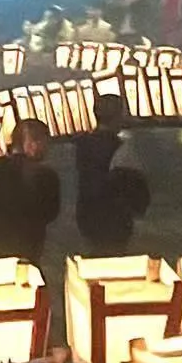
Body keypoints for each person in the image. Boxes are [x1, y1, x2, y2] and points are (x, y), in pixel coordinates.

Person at [75, 94, 149, 257]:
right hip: (115, 219)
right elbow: (134, 186)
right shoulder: (121, 149)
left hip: (87, 215)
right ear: (118, 116)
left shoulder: (83, 145)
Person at [0, 118, 60, 263]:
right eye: (44, 142)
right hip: (31, 240)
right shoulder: (46, 175)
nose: (47, 148)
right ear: (32, 144)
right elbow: (51, 212)